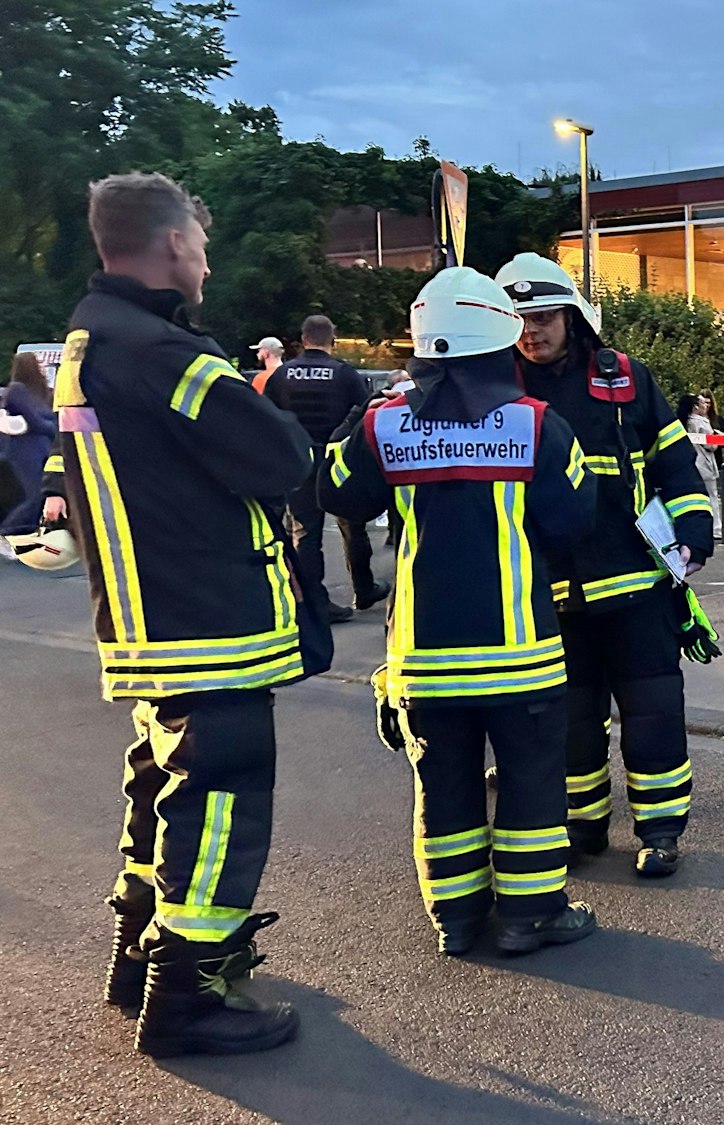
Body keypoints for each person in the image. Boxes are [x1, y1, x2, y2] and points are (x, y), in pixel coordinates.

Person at [44, 172, 315, 1056]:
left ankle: (138, 956)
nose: (205, 260)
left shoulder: (89, 341)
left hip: (146, 616)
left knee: (160, 787)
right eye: (199, 244)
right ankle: (188, 996)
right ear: (171, 245)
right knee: (222, 802)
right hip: (209, 618)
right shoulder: (167, 354)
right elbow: (279, 456)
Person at [319, 267, 599, 957]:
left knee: (443, 788)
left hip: (424, 659)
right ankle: (529, 915)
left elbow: (338, 493)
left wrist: (361, 419)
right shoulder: (537, 425)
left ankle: (456, 916)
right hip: (519, 653)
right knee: (532, 784)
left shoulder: (386, 424)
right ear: (501, 339)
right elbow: (574, 520)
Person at [497, 252, 717, 878]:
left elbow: (673, 460)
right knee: (570, 720)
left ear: (571, 316)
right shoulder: (495, 389)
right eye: (518, 320)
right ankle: (583, 823)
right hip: (544, 593)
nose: (531, 331)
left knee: (651, 714)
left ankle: (661, 830)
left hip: (634, 586)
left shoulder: (625, 378)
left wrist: (695, 527)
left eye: (542, 317)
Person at [262, 314, 386, 624]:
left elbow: (268, 418)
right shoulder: (345, 374)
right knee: (352, 526)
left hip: (299, 462)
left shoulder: (282, 375)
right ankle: (363, 588)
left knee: (305, 534)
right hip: (339, 462)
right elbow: (363, 417)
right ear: (332, 340)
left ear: (303, 340)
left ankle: (315, 602)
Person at [2, 351, 56, 535]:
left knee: (43, 495)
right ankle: (6, 532)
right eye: (38, 363)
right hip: (23, 451)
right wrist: (57, 431)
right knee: (35, 495)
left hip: (42, 448)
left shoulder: (41, 391)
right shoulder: (17, 390)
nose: (42, 367)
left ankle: (25, 534)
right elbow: (35, 422)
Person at [680, 392, 723, 526]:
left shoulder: (684, 421)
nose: (706, 406)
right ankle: (716, 527)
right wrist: (718, 438)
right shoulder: (702, 422)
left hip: (691, 464)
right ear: (695, 407)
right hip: (705, 464)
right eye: (703, 403)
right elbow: (710, 445)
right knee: (712, 496)